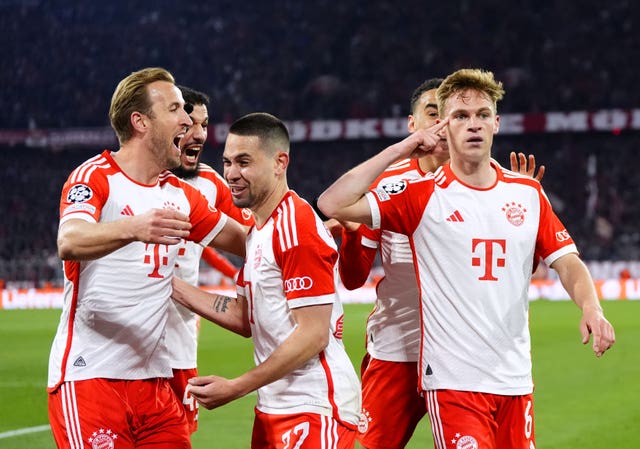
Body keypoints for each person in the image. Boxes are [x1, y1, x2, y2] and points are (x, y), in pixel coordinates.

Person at [318, 68, 615, 449]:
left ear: (496, 122)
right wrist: (402, 147)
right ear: (443, 125)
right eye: (460, 116)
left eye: (481, 115)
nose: (472, 124)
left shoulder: (527, 192)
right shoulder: (419, 195)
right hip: (448, 378)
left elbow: (567, 260)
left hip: (514, 378)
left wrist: (591, 307)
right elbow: (331, 203)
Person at [338, 78, 544, 449]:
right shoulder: (386, 185)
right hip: (399, 349)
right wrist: (353, 233)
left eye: (448, 115)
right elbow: (353, 279)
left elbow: (512, 273)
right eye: (432, 114)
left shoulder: (497, 183)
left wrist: (524, 229)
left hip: (465, 359)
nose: (441, 125)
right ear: (412, 125)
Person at [47, 67, 247, 449]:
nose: (188, 121)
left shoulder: (182, 195)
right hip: (90, 379)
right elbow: (69, 239)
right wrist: (135, 228)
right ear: (140, 122)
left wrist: (304, 226)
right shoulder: (95, 176)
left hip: (156, 385)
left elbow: (248, 241)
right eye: (175, 109)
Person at [171, 112, 361, 448]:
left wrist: (237, 386)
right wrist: (171, 286)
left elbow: (313, 334)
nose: (231, 173)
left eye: (244, 162)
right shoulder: (259, 231)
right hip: (276, 404)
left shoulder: (296, 225)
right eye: (228, 162)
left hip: (315, 405)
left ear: (279, 163)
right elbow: (246, 317)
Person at [168, 85, 254, 434]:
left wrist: (316, 231)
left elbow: (256, 237)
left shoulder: (208, 182)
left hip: (179, 342)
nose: (200, 134)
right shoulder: (121, 181)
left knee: (177, 437)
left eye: (204, 125)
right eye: (190, 124)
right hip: (118, 344)